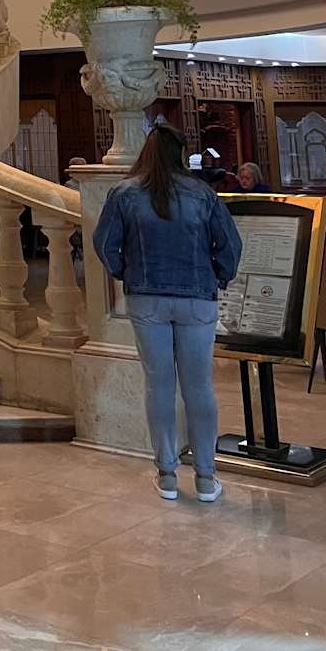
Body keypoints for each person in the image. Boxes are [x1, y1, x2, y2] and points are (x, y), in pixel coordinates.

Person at [94, 122, 242, 504]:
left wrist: (126, 272)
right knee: (199, 386)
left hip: (146, 298)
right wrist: (218, 277)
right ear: (181, 155)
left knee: (158, 385)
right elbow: (230, 246)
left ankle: (167, 475)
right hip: (197, 297)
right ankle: (206, 477)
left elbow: (104, 244)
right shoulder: (203, 193)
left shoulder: (124, 193)